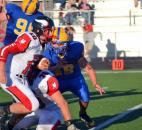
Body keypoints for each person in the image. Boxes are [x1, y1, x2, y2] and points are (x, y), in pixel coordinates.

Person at [42, 27, 105, 129]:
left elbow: (88, 68)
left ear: (66, 43)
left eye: (60, 43)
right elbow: (41, 73)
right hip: (58, 81)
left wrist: (95, 83)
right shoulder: (46, 55)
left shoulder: (75, 49)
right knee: (44, 103)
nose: (57, 45)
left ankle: (83, 113)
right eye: (54, 42)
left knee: (85, 98)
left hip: (74, 79)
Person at [0, 16, 54, 129]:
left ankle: (9, 126)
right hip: (10, 76)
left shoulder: (41, 44)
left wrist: (41, 65)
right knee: (33, 105)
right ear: (39, 29)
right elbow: (4, 50)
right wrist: (1, 72)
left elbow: (29, 62)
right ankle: (2, 112)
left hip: (22, 78)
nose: (50, 33)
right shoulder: (30, 38)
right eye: (48, 30)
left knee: (26, 108)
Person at [12, 68, 80, 130]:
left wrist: (69, 124)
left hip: (52, 112)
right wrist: (11, 123)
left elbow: (62, 103)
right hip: (37, 111)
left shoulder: (43, 80)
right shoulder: (20, 80)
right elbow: (23, 106)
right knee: (16, 128)